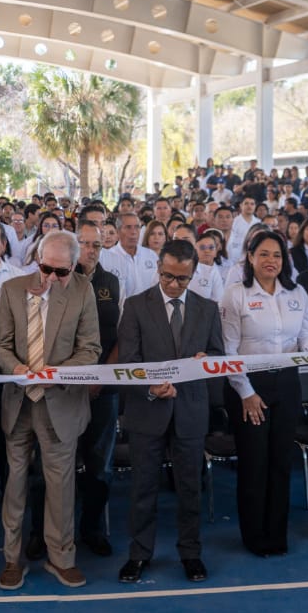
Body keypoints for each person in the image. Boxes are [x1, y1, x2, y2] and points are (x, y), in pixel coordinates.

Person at [0, 230, 101, 591]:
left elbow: (91, 349)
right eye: (45, 268)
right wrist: (16, 369)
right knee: (15, 481)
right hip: (18, 401)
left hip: (61, 401)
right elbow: (2, 347)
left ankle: (62, 558)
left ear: (74, 266)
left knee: (61, 483)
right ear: (36, 259)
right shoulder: (11, 290)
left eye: (61, 272)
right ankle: (11, 558)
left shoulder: (83, 291)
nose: (51, 278)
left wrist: (57, 374)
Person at [118, 240, 224, 583]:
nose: (174, 285)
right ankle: (139, 553)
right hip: (147, 410)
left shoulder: (207, 309)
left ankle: (191, 553)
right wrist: (150, 386)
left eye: (182, 279)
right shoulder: (135, 306)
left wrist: (205, 365)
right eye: (168, 277)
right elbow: (127, 362)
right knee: (142, 487)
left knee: (191, 487)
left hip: (190, 409)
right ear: (157, 269)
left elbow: (217, 355)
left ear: (193, 274)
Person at [219, 230, 308, 557]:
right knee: (254, 463)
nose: (271, 261)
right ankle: (254, 536)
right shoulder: (235, 295)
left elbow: (305, 335)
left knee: (281, 461)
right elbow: (228, 351)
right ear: (250, 257)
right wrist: (246, 393)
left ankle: (276, 535)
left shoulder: (297, 294)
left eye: (277, 255)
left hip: (287, 384)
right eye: (263, 254)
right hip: (248, 387)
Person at [72, 219, 120, 557]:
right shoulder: (58, 278)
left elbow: (123, 334)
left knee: (99, 463)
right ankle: (41, 531)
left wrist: (101, 377)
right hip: (64, 387)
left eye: (96, 245)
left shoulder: (113, 283)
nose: (91, 250)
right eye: (85, 244)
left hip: (103, 387)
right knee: (51, 465)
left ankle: (93, 529)